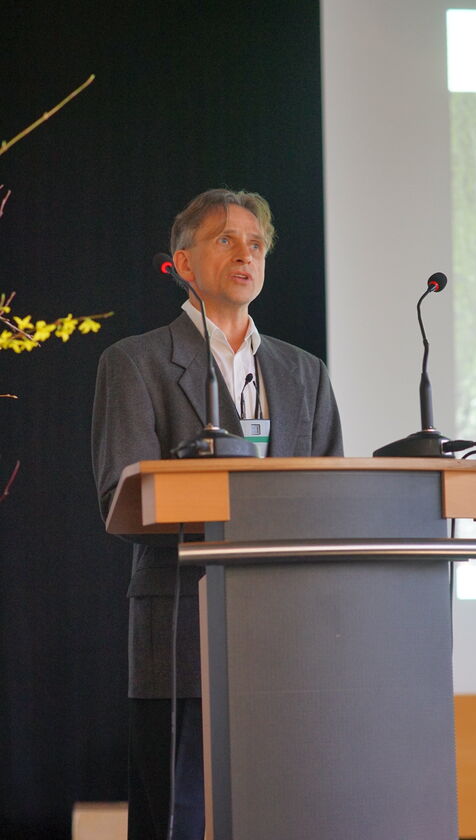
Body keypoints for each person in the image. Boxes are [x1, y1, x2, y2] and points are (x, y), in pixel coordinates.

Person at [91, 188, 343, 840]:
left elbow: (328, 497)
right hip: (182, 626)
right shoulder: (134, 362)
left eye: (255, 242)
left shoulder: (303, 373)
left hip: (282, 637)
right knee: (177, 819)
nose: (245, 252)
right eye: (225, 239)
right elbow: (120, 496)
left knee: (282, 816)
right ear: (182, 262)